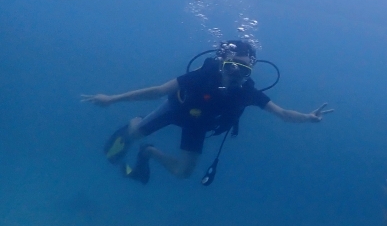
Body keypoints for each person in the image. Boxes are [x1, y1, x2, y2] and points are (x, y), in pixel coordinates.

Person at [82, 40, 332, 184]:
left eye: (244, 71)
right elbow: (159, 91)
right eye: (232, 67)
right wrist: (111, 99)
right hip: (176, 109)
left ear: (250, 73)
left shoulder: (247, 92)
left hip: (198, 126)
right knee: (134, 133)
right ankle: (136, 125)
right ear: (223, 63)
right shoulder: (203, 75)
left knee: (183, 173)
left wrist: (308, 118)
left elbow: (283, 114)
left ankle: (148, 152)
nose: (236, 74)